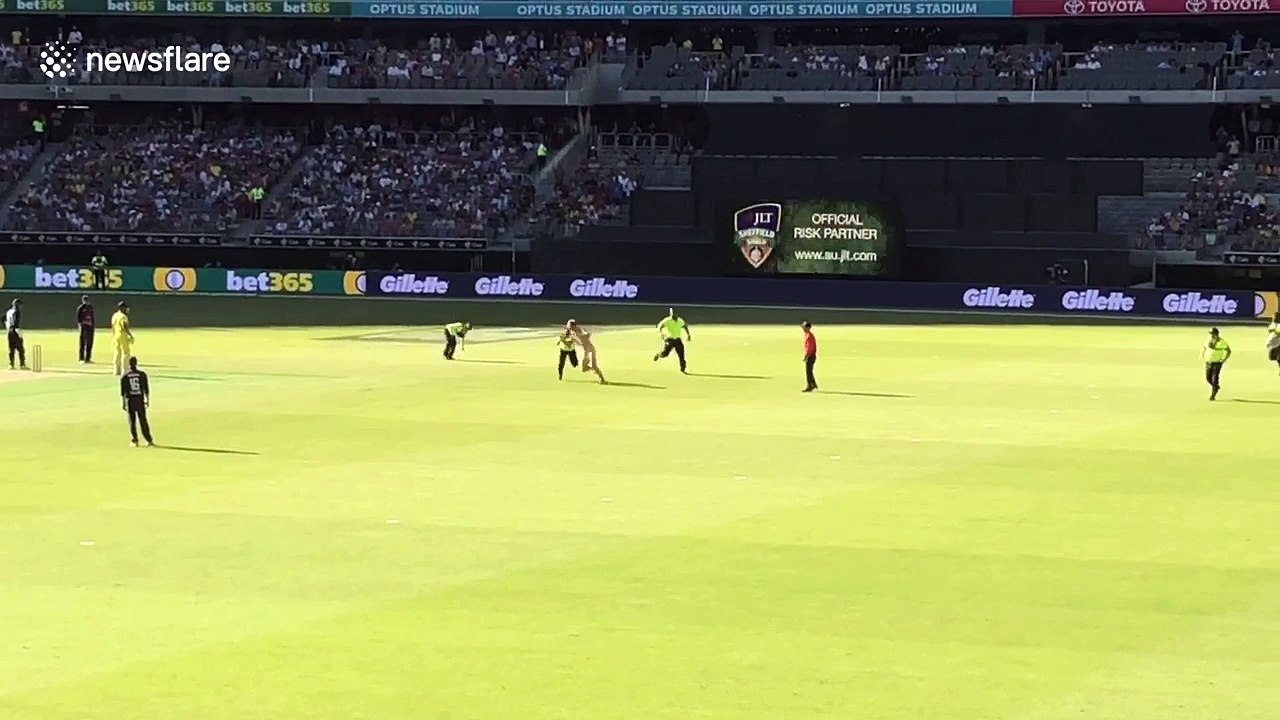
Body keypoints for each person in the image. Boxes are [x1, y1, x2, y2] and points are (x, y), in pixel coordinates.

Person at [120, 356, 154, 447]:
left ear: (129, 364)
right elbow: (146, 389)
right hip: (140, 399)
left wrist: (123, 403)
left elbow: (123, 392)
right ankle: (148, 439)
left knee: (132, 421)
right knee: (143, 420)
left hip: (130, 400)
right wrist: (147, 400)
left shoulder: (125, 376)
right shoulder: (142, 374)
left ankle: (135, 440)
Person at [567, 319, 606, 384]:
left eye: (570, 327)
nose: (570, 328)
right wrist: (572, 340)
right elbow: (578, 343)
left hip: (590, 349)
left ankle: (602, 379)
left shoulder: (580, 330)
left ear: (574, 326)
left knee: (594, 366)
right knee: (584, 369)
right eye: (569, 327)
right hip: (585, 351)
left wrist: (584, 334)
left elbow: (587, 334)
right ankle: (596, 372)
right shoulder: (572, 333)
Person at [653, 307, 691, 373]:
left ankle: (683, 369)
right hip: (669, 340)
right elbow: (659, 327)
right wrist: (661, 334)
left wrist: (688, 335)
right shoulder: (667, 320)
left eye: (674, 314)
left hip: (678, 340)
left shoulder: (679, 320)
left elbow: (685, 326)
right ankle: (659, 355)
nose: (673, 315)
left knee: (681, 355)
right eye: (672, 314)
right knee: (665, 354)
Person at [1202, 327, 1231, 401]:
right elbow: (1204, 347)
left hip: (1217, 363)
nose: (1211, 335)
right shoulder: (1208, 340)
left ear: (1216, 334)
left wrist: (1223, 359)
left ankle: (1213, 394)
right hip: (1208, 362)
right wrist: (1203, 355)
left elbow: (1228, 351)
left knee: (1215, 379)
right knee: (1208, 378)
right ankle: (1216, 387)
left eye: (1212, 334)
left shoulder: (1221, 342)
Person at [111, 301, 134, 377]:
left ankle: (116, 370)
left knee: (117, 352)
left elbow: (112, 326)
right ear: (122, 308)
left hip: (116, 335)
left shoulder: (115, 315)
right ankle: (125, 370)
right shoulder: (123, 316)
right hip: (122, 335)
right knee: (126, 352)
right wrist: (130, 335)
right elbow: (125, 326)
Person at [6, 298, 26, 370]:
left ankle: (11, 364)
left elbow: (5, 320)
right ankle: (22, 365)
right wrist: (19, 334)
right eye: (19, 305)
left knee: (11, 348)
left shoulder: (9, 311)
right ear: (17, 305)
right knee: (20, 348)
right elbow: (16, 323)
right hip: (15, 331)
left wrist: (8, 328)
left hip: (9, 331)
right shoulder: (16, 312)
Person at [76, 294, 95, 363]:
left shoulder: (90, 307)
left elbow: (92, 317)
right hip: (83, 327)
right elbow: (78, 319)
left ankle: (88, 358)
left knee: (89, 343)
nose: (86, 301)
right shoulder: (80, 308)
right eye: (85, 300)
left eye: (87, 300)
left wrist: (93, 326)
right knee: (82, 343)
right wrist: (80, 327)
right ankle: (81, 358)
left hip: (90, 327)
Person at [802, 321, 818, 392]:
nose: (803, 328)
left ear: (808, 327)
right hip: (812, 355)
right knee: (810, 371)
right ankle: (813, 384)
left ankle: (810, 386)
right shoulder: (808, 335)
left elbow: (810, 348)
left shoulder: (809, 336)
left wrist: (806, 356)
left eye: (804, 327)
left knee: (808, 371)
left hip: (810, 356)